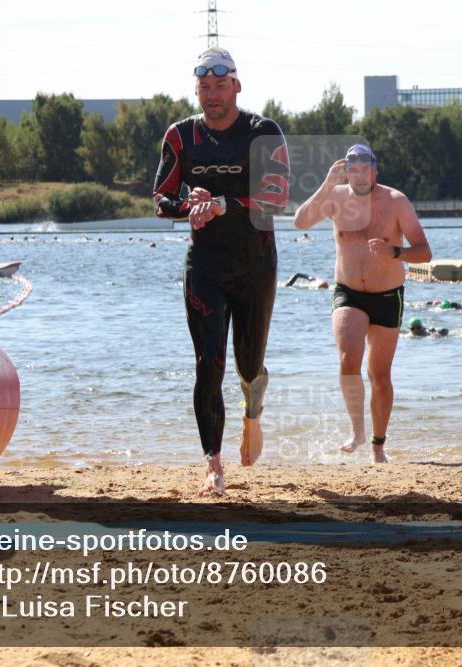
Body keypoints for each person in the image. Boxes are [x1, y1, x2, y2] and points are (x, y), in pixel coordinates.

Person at [152, 47, 290, 495]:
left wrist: (224, 204)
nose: (212, 95)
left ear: (237, 85)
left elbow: (277, 198)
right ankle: (213, 463)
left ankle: (253, 413)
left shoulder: (262, 132)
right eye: (204, 87)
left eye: (220, 85)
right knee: (207, 364)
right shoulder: (180, 136)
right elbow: (160, 199)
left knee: (248, 367)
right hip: (205, 268)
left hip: (255, 265)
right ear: (197, 90)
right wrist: (187, 206)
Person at [293, 144, 431, 463]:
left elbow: (424, 251)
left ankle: (377, 445)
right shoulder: (337, 196)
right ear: (346, 172)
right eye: (352, 170)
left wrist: (395, 252)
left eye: (364, 169)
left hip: (388, 295)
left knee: (379, 376)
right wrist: (327, 183)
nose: (358, 176)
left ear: (375, 170)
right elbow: (301, 222)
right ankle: (356, 430)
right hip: (349, 292)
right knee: (348, 357)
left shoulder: (396, 202)